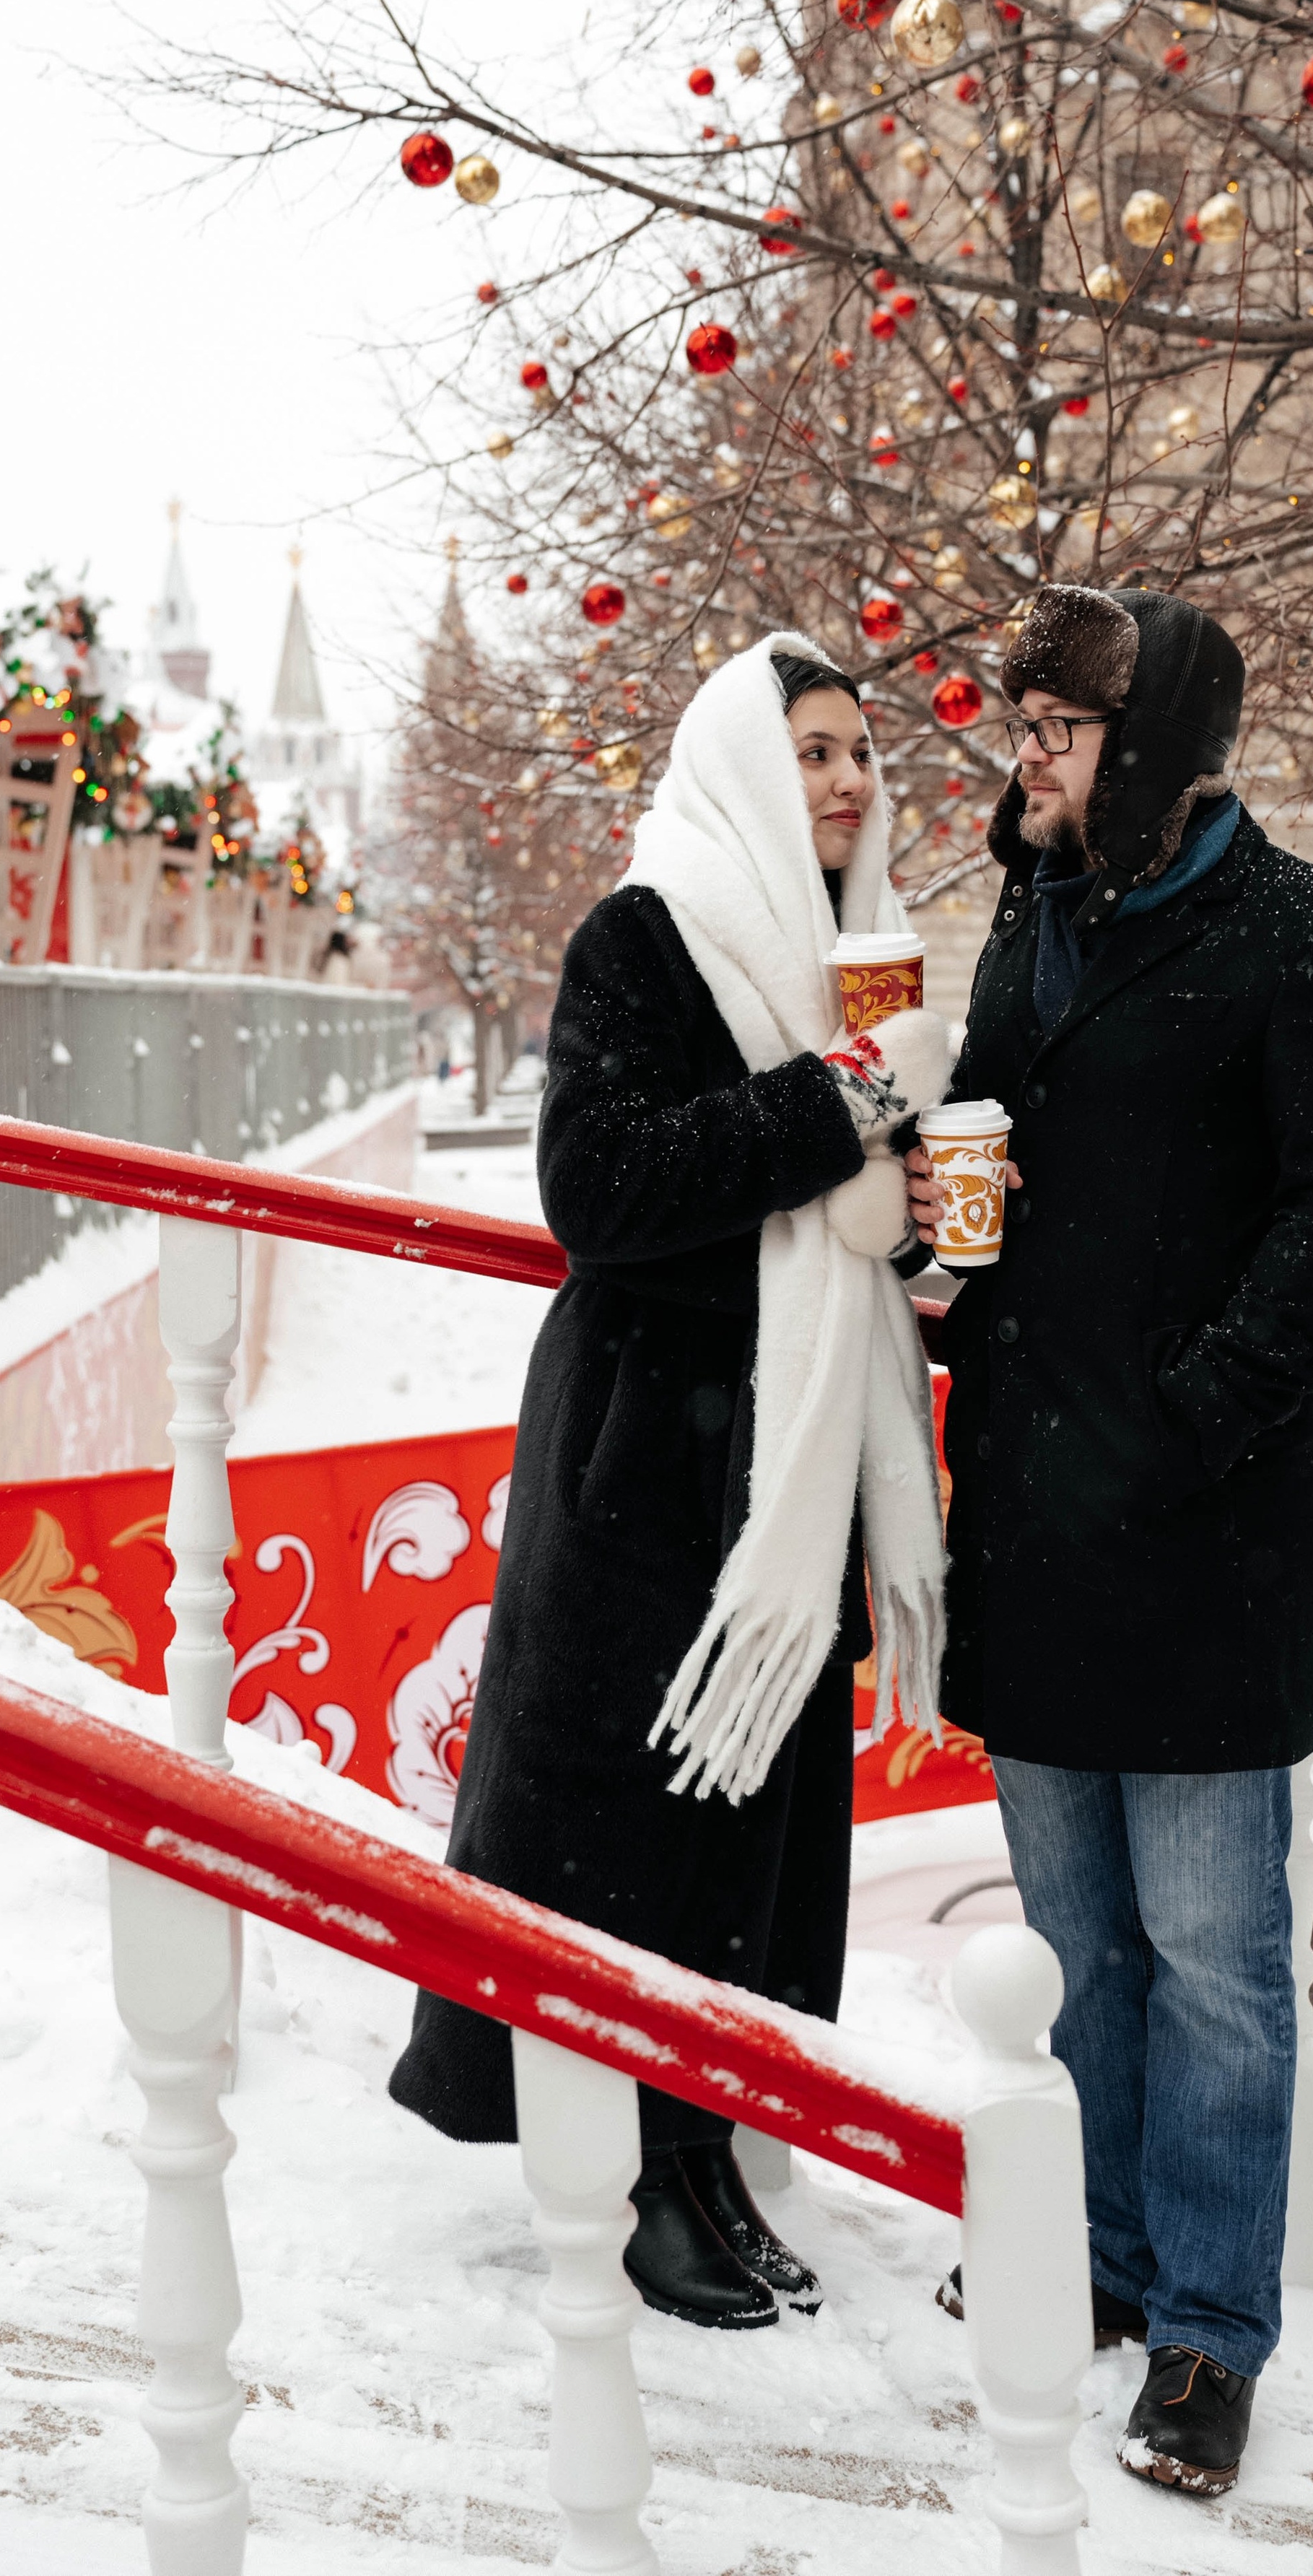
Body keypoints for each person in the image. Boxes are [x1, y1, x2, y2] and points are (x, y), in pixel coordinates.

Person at [905, 584, 1313, 2497]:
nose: (1022, 761)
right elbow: (985, 1142)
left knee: (1210, 1959)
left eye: (1054, 730)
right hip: (1034, 1517)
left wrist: (1194, 1412)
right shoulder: (1029, 925)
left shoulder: (1312, 935)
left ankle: (1207, 2332)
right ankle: (1100, 2263)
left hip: (1212, 1534)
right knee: (1077, 1946)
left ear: (1155, 745)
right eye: (1018, 730)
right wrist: (938, 1205)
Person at [391, 634, 950, 2328]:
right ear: (736, 764)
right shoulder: (642, 933)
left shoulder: (863, 956)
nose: (846, 778)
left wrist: (918, 1207)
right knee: (626, 1826)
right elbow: (596, 1182)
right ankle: (634, 2168)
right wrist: (840, 1101)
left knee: (739, 1836)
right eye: (809, 749)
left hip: (787, 1454)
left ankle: (702, 2141)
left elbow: (848, 1211)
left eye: (859, 749)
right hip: (647, 1457)